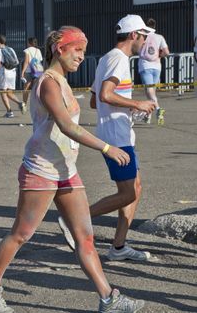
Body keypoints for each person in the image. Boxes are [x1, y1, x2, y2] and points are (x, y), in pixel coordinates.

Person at [0, 26, 145, 313]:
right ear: (59, 49)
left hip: (66, 169)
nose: (81, 56)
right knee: (21, 234)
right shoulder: (49, 82)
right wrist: (107, 148)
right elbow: (66, 125)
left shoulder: (63, 81)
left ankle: (108, 298)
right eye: (77, 49)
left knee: (85, 236)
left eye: (84, 51)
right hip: (41, 169)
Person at [59, 15, 156, 262]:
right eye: (143, 36)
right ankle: (75, 220)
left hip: (117, 131)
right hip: (116, 136)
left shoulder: (106, 58)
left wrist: (127, 108)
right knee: (128, 194)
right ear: (134, 35)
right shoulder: (119, 59)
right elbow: (105, 95)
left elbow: (94, 100)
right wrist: (137, 103)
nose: (145, 41)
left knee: (135, 187)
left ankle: (119, 246)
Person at [138, 18, 169, 125]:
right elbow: (166, 52)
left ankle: (158, 109)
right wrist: (159, 55)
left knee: (150, 91)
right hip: (157, 66)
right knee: (150, 92)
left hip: (145, 65)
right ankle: (148, 115)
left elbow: (136, 48)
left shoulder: (143, 37)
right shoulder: (159, 37)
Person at [0, 35, 24, 118]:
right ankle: (20, 103)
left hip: (4, 72)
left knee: (3, 93)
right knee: (9, 93)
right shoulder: (11, 49)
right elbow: (17, 62)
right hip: (13, 72)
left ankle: (9, 112)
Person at [20, 37, 44, 112]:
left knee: (26, 88)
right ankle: (38, 104)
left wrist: (22, 72)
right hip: (38, 71)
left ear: (29, 43)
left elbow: (26, 62)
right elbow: (39, 61)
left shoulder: (27, 50)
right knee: (37, 88)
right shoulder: (38, 50)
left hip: (29, 71)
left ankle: (24, 104)